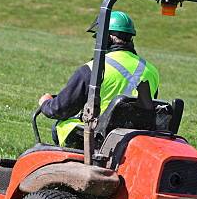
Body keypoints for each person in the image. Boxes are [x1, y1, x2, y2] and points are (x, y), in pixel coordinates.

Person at [38, 10, 160, 148]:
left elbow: (60, 109)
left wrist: (45, 103)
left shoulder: (92, 69)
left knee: (61, 126)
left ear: (106, 38)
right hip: (135, 139)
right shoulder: (151, 70)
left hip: (100, 140)